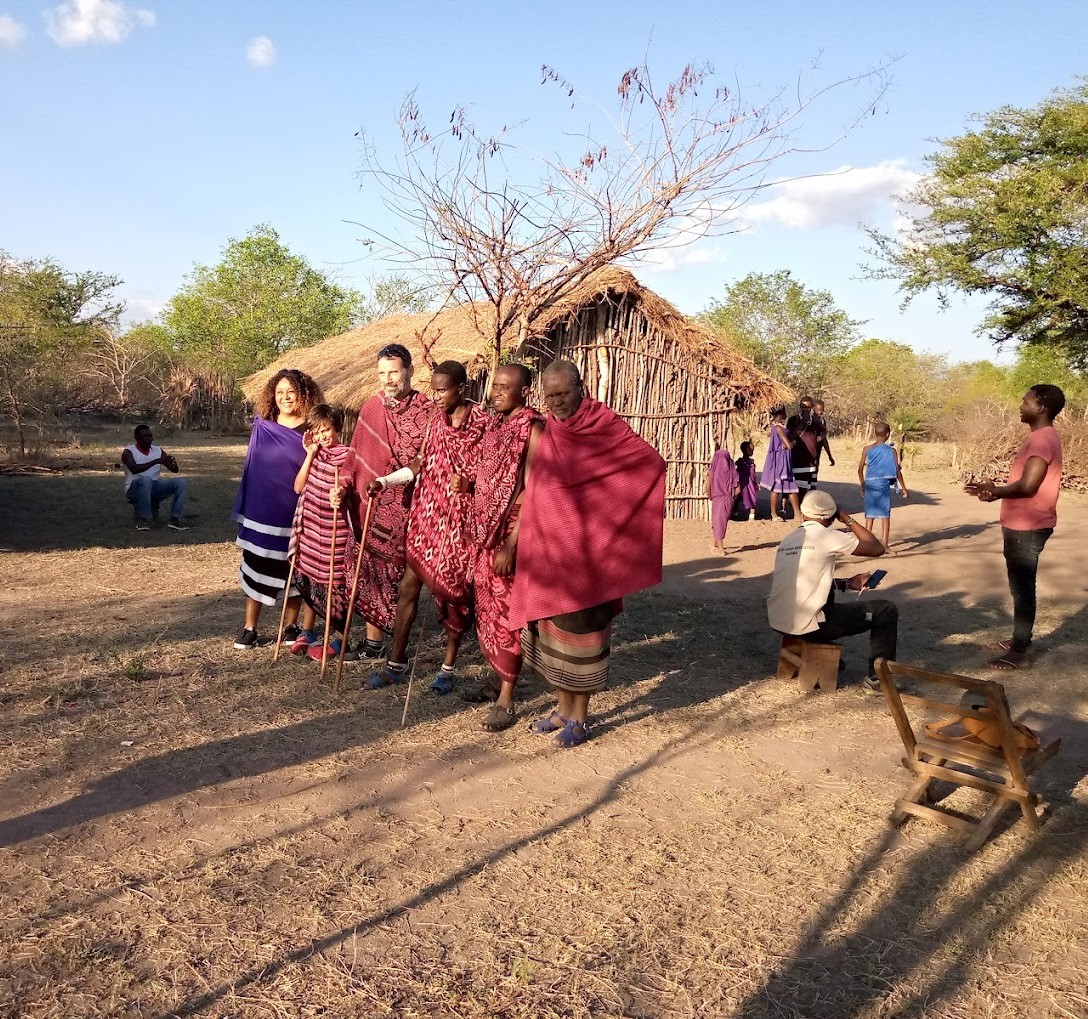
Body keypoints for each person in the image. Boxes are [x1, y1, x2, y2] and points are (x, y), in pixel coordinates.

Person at [510, 360, 666, 749]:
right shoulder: (553, 431)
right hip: (552, 555)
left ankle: (580, 718)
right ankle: (562, 709)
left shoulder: (603, 425)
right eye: (550, 396)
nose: (557, 402)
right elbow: (543, 486)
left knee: (581, 634)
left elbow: (649, 464)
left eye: (563, 394)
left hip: (590, 559)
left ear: (581, 387)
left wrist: (606, 524)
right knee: (554, 635)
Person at [365, 360, 490, 694]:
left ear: (461, 388)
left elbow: (494, 475)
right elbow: (420, 464)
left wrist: (471, 484)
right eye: (433, 389)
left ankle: (448, 667)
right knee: (409, 586)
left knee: (453, 594)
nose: (435, 397)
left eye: (442, 390)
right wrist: (385, 481)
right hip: (426, 514)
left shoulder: (482, 423)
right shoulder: (435, 420)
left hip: (459, 521)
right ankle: (396, 663)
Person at [464, 364, 544, 732]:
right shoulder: (494, 426)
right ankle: (496, 680)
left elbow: (533, 489)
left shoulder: (533, 429)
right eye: (494, 386)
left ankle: (507, 698)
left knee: (507, 613)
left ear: (524, 391)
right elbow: (490, 478)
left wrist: (512, 545)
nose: (494, 392)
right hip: (484, 533)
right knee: (487, 608)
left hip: (511, 533)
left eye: (503, 387)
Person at [344, 343, 433, 664]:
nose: (388, 379)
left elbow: (429, 460)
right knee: (370, 571)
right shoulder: (371, 408)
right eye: (382, 373)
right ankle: (374, 641)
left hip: (411, 506)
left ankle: (398, 643)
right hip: (370, 502)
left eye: (393, 371)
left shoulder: (427, 412)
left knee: (400, 577)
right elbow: (356, 456)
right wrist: (343, 486)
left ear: (409, 370)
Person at [969, 384, 1065, 671]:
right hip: (1023, 522)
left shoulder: (1041, 440)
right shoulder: (1040, 437)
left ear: (1042, 407)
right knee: (1019, 587)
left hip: (1028, 525)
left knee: (1022, 589)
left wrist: (994, 491)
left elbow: (1028, 485)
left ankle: (1020, 651)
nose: (1020, 406)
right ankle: (1018, 641)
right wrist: (990, 490)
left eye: (1026, 402)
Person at [231, 368, 323, 650]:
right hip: (264, 509)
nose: (284, 397)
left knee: (296, 568)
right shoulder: (263, 427)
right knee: (257, 563)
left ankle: (292, 626)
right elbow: (253, 470)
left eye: (291, 392)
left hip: (298, 510)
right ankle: (250, 628)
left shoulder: (313, 430)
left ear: (303, 395)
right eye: (279, 392)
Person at [767, 489, 895, 692]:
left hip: (779, 621)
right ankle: (878, 680)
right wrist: (847, 519)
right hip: (810, 625)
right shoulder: (825, 535)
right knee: (886, 610)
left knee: (828, 608)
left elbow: (802, 579)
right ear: (830, 516)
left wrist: (845, 583)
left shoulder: (789, 540)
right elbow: (876, 547)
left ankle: (825, 661)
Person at [287, 404, 358, 662]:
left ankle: (340, 638)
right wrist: (309, 454)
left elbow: (350, 486)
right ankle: (308, 631)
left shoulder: (349, 456)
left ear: (336, 427)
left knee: (333, 585)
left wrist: (341, 493)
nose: (323, 436)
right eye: (317, 432)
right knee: (311, 581)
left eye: (326, 429)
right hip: (311, 531)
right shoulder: (315, 455)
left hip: (335, 533)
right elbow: (298, 487)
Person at [121, 424, 189, 532]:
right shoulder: (128, 451)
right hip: (134, 489)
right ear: (137, 438)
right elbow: (134, 469)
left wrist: (172, 463)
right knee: (145, 480)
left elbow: (174, 470)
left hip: (155, 487)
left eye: (150, 436)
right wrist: (156, 461)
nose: (149, 439)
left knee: (181, 482)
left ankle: (174, 519)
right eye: (145, 436)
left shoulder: (158, 450)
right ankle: (143, 519)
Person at [859, 422, 909, 551]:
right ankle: (885, 544)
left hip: (870, 483)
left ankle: (866, 542)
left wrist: (863, 485)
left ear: (875, 434)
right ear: (888, 435)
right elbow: (897, 471)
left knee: (869, 515)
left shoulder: (867, 449)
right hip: (883, 485)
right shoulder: (891, 451)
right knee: (885, 515)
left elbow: (859, 470)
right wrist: (904, 488)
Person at [760, 406, 801, 521]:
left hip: (783, 460)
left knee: (789, 487)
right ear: (780, 414)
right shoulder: (778, 428)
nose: (786, 415)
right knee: (778, 487)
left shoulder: (778, 427)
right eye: (784, 413)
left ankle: (796, 514)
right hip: (781, 461)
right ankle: (774, 514)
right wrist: (793, 441)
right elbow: (789, 445)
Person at [708, 443, 740, 553]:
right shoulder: (732, 470)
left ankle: (721, 549)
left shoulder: (714, 470)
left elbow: (708, 485)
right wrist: (731, 496)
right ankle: (715, 544)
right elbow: (738, 488)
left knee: (718, 522)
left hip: (717, 498)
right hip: (728, 499)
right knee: (721, 522)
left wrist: (711, 496)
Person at [787, 396, 820, 493]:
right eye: (803, 407)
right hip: (798, 458)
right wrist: (803, 422)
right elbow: (791, 436)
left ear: (812, 407)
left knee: (809, 488)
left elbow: (821, 435)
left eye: (808, 407)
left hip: (811, 458)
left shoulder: (816, 420)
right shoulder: (794, 420)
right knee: (798, 488)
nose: (805, 409)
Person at [812, 399, 836, 480]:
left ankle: (813, 487)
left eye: (822, 410)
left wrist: (830, 456)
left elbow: (824, 440)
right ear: (813, 409)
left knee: (815, 468)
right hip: (810, 449)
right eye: (818, 410)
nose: (820, 412)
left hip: (817, 449)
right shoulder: (809, 421)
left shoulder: (822, 421)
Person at [736, 440, 759, 521]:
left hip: (751, 484)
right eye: (750, 449)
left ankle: (752, 516)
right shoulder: (740, 461)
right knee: (738, 498)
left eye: (753, 450)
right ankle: (734, 511)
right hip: (743, 483)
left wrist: (755, 483)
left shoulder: (751, 461)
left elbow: (753, 474)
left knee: (752, 498)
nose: (752, 451)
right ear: (744, 450)